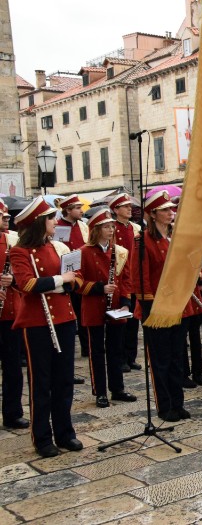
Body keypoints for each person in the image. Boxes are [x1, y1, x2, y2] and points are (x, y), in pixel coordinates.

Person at [10, 197, 84, 457]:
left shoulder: (57, 247)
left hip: (63, 318)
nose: (55, 222)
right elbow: (27, 285)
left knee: (64, 381)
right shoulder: (19, 252)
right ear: (38, 223)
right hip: (38, 323)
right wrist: (60, 280)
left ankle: (65, 433)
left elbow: (75, 279)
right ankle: (42, 438)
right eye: (51, 218)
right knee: (42, 382)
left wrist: (68, 281)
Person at [133, 191, 189, 422]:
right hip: (155, 308)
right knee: (160, 360)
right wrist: (149, 305)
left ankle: (178, 402)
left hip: (177, 306)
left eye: (171, 209)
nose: (171, 212)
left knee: (177, 357)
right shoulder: (143, 241)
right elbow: (140, 276)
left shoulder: (174, 237)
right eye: (165, 209)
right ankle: (164, 406)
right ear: (153, 214)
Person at [77, 209, 137, 408]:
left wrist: (126, 301)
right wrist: (98, 288)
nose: (111, 230)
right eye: (106, 226)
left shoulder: (118, 251)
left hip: (116, 305)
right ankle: (100, 391)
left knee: (116, 348)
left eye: (112, 226)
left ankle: (117, 388)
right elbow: (77, 282)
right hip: (94, 304)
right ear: (96, 229)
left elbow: (126, 279)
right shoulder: (84, 252)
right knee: (97, 350)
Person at [0, 204, 27, 431]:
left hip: (9, 313)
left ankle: (12, 413)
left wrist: (14, 282)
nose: (6, 219)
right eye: (2, 216)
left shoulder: (13, 241)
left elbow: (24, 275)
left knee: (12, 368)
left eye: (7, 215)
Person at [110, 193, 143, 372]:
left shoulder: (135, 228)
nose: (130, 209)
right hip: (120, 277)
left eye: (130, 207)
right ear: (116, 210)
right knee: (122, 320)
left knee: (133, 322)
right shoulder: (112, 229)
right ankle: (121, 358)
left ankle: (131, 356)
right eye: (125, 207)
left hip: (134, 278)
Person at [55, 195, 90, 365]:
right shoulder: (57, 226)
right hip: (66, 273)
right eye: (77, 208)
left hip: (81, 272)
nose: (81, 211)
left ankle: (86, 346)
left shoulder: (83, 225)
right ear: (68, 210)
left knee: (83, 310)